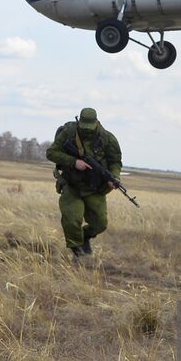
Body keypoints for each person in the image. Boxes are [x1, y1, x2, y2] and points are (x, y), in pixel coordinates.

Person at [45, 107, 123, 262]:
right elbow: (51, 153)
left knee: (100, 223)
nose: (86, 130)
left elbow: (115, 162)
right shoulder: (68, 133)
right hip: (72, 186)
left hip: (94, 189)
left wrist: (113, 177)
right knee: (72, 219)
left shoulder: (108, 139)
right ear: (79, 121)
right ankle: (78, 252)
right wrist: (74, 162)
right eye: (84, 126)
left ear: (96, 123)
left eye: (90, 127)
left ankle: (85, 237)